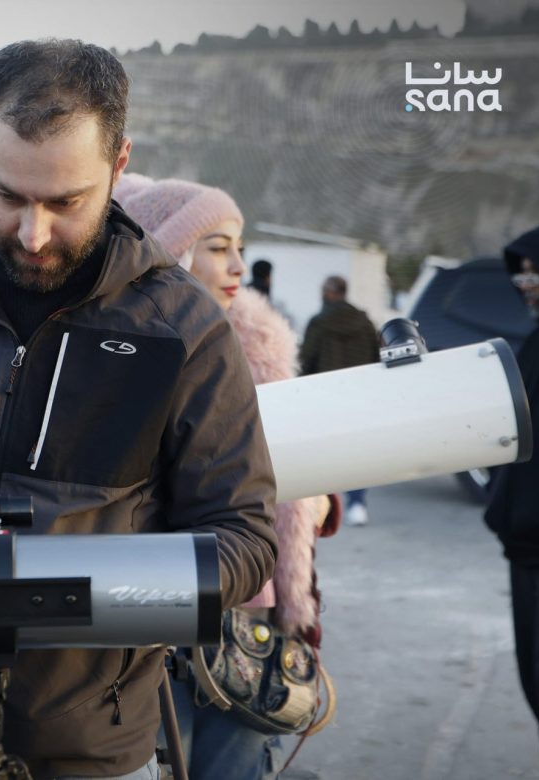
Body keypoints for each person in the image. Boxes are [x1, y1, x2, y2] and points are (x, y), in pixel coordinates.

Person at [0, 39, 277, 780]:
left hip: (90, 753)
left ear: (119, 165)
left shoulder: (184, 328)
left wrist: (51, 599)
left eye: (65, 202)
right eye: (7, 195)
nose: (32, 234)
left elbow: (244, 541)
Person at [116, 175, 338, 780]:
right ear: (170, 249)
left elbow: (288, 465)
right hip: (151, 625)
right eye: (217, 246)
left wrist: (317, 497)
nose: (238, 264)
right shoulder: (121, 349)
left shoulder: (260, 348)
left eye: (238, 244)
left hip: (250, 624)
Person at [484, 218, 539, 780]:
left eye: (536, 274)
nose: (528, 286)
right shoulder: (538, 343)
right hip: (524, 548)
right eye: (523, 276)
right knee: (538, 685)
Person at [298, 274, 379, 525]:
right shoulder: (365, 323)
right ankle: (357, 505)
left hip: (325, 394)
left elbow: (305, 359)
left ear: (332, 292)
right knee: (357, 452)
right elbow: (376, 358)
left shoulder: (319, 323)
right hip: (358, 395)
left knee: (324, 451)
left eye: (324, 290)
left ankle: (323, 505)